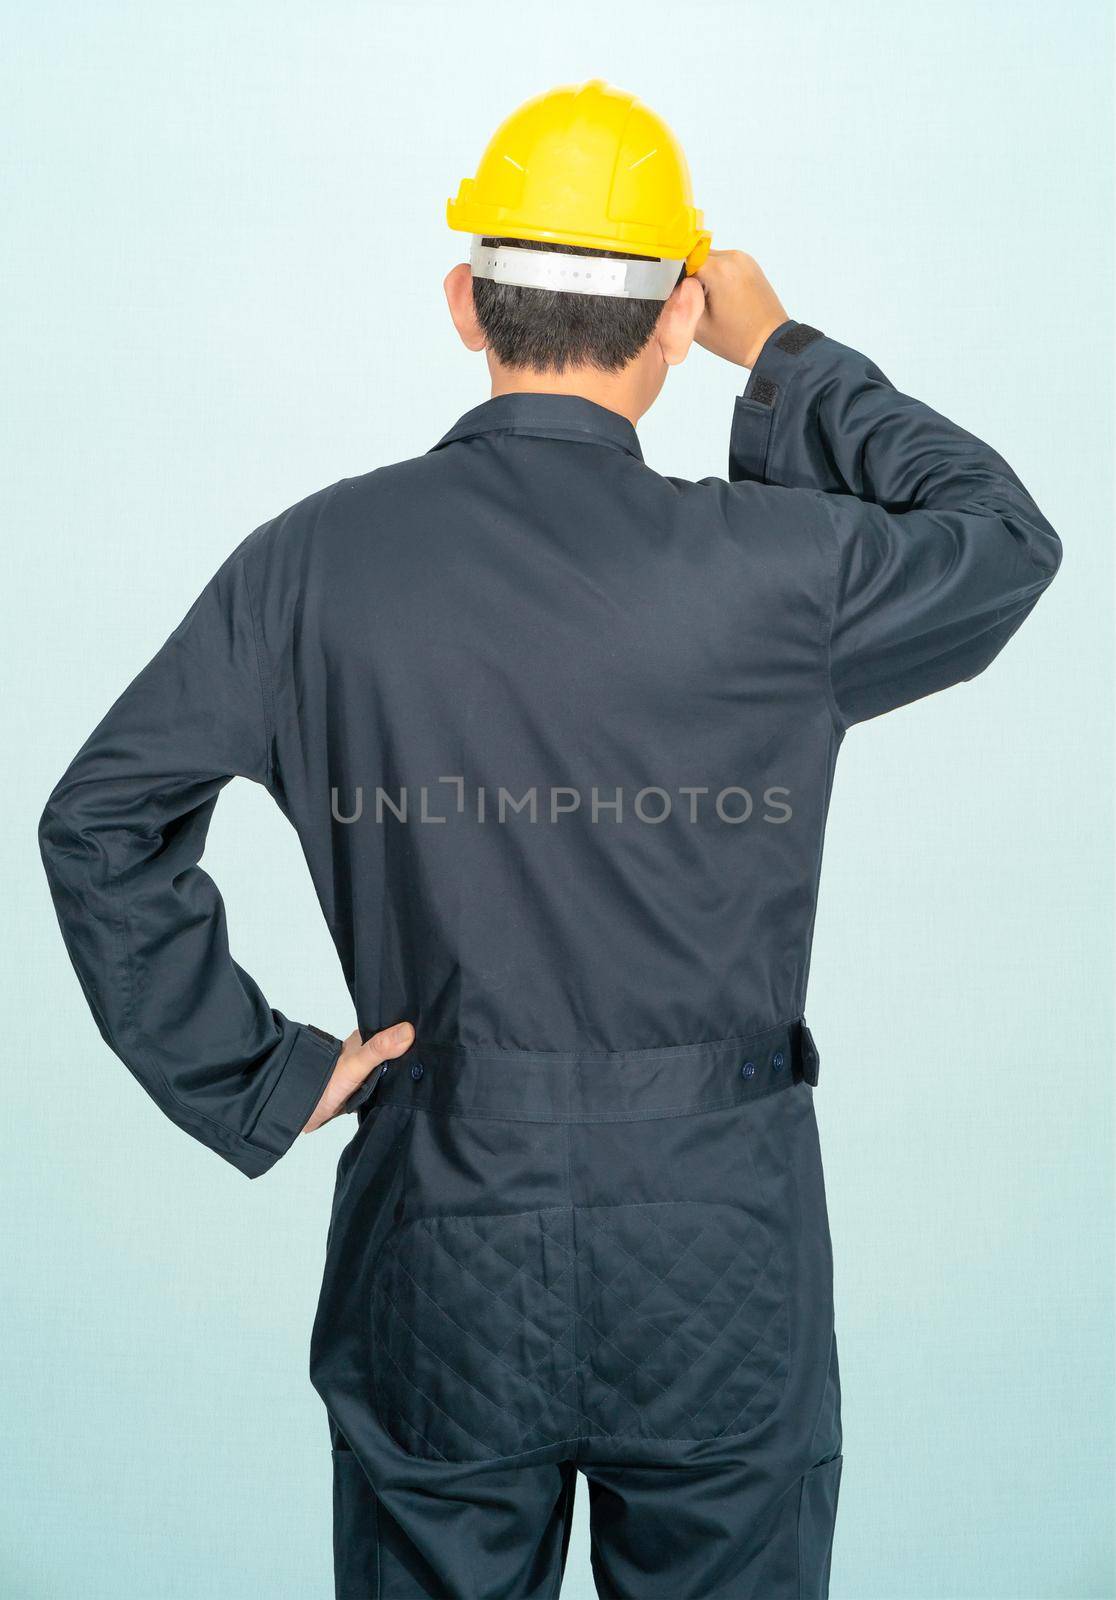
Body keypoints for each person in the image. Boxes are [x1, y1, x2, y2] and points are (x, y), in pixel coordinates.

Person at [39, 79, 1061, 1600]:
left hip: (443, 1223)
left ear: (467, 303)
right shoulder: (781, 572)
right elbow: (1000, 538)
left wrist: (262, 1073)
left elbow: (104, 819)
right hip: (716, 1242)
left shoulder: (315, 563)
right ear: (670, 323)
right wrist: (781, 357)